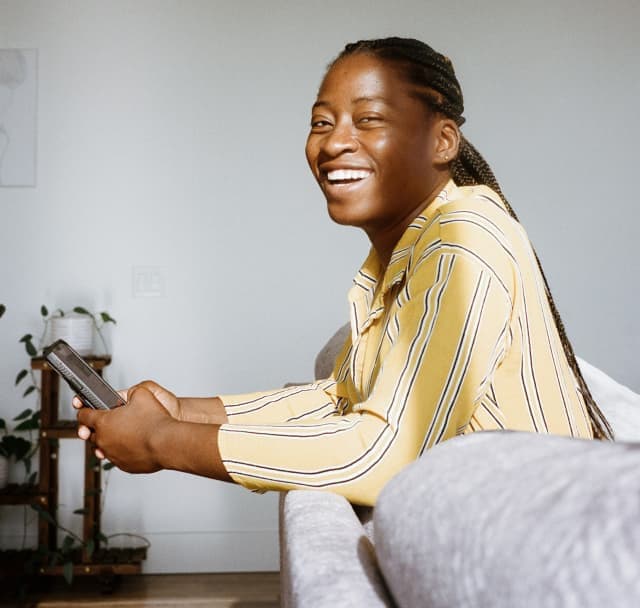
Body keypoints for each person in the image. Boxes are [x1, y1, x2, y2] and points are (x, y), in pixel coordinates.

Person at [75, 37, 613, 507]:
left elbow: (383, 456)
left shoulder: (463, 239)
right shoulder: (405, 252)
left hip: (546, 542)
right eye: (321, 123)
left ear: (442, 141)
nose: (333, 143)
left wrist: (160, 441)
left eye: (370, 119)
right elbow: (340, 396)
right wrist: (184, 411)